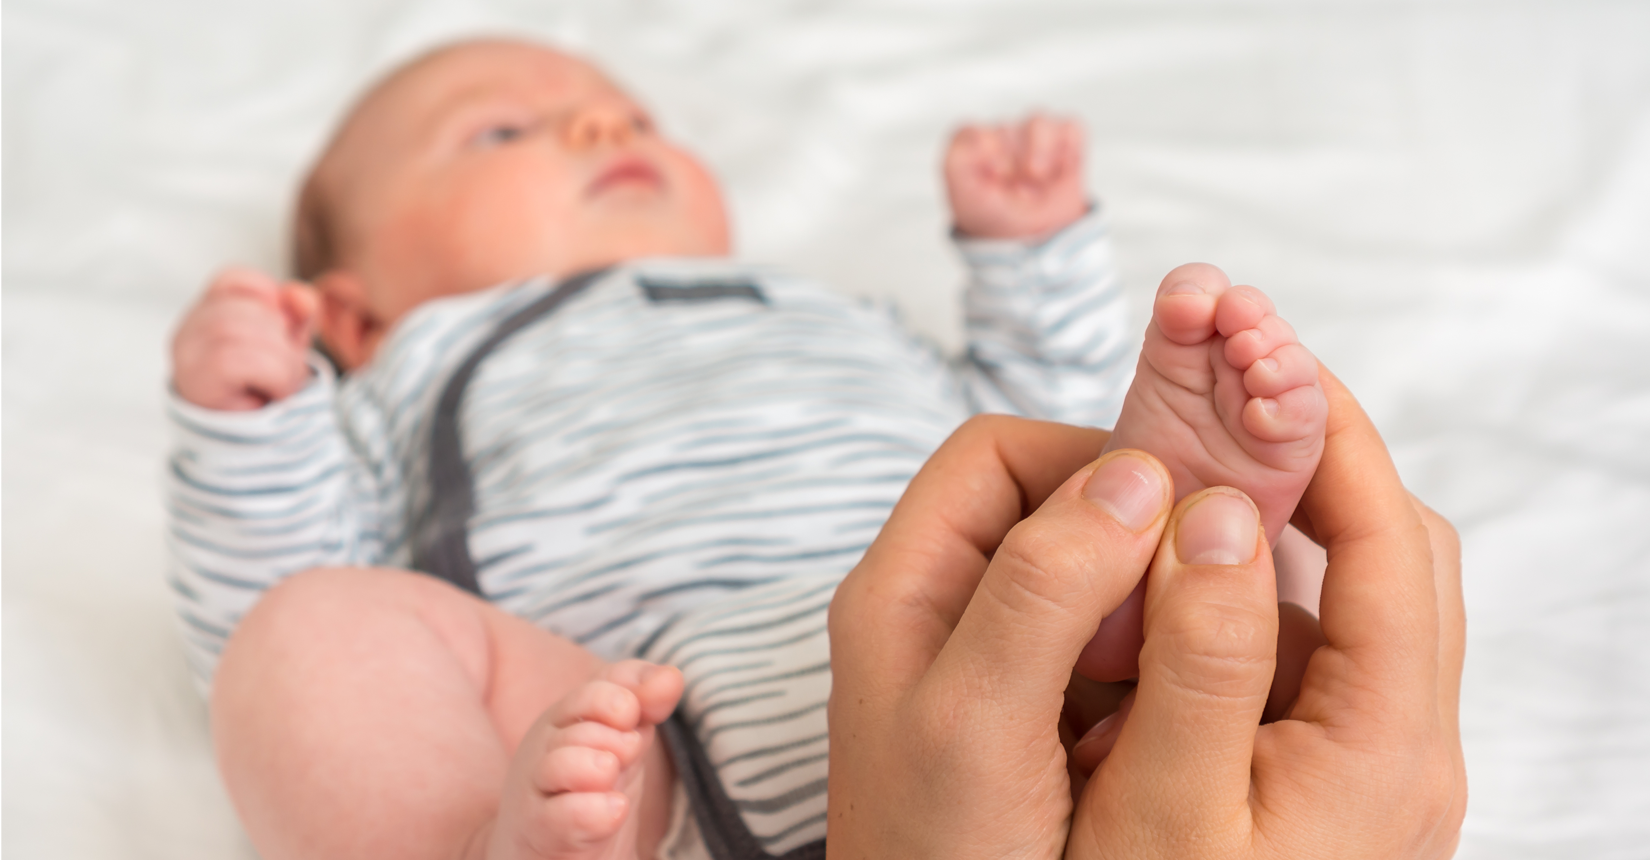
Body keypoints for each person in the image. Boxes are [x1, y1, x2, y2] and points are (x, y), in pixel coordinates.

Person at [165, 37, 1330, 860]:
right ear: (356, 316)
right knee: (305, 633)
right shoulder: (414, 368)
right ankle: (479, 837)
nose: (598, 125)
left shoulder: (829, 310)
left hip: (983, 660)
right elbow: (279, 577)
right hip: (649, 740)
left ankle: (1160, 602)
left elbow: (1032, 427)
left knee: (1140, 518)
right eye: (501, 131)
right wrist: (252, 422)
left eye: (631, 119)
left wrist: (1025, 261)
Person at [826, 368, 1467, 858]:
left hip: (927, 608)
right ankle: (1191, 568)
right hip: (812, 677)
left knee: (1258, 597)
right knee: (1247, 614)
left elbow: (1019, 377)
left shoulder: (856, 311)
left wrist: (1023, 243)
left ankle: (1162, 586)